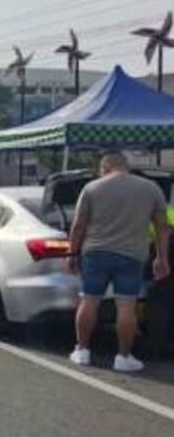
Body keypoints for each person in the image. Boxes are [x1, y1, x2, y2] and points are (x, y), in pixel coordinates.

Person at [66, 151, 170, 371]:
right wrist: (161, 257)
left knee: (89, 301)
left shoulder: (92, 188)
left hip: (95, 253)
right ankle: (123, 357)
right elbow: (162, 226)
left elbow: (78, 224)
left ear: (105, 167)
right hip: (132, 256)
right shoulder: (151, 188)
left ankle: (82, 351)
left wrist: (72, 254)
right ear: (126, 166)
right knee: (126, 305)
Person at [143, 200, 174, 359]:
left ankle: (156, 347)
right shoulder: (168, 211)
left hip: (165, 253)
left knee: (161, 302)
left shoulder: (153, 214)